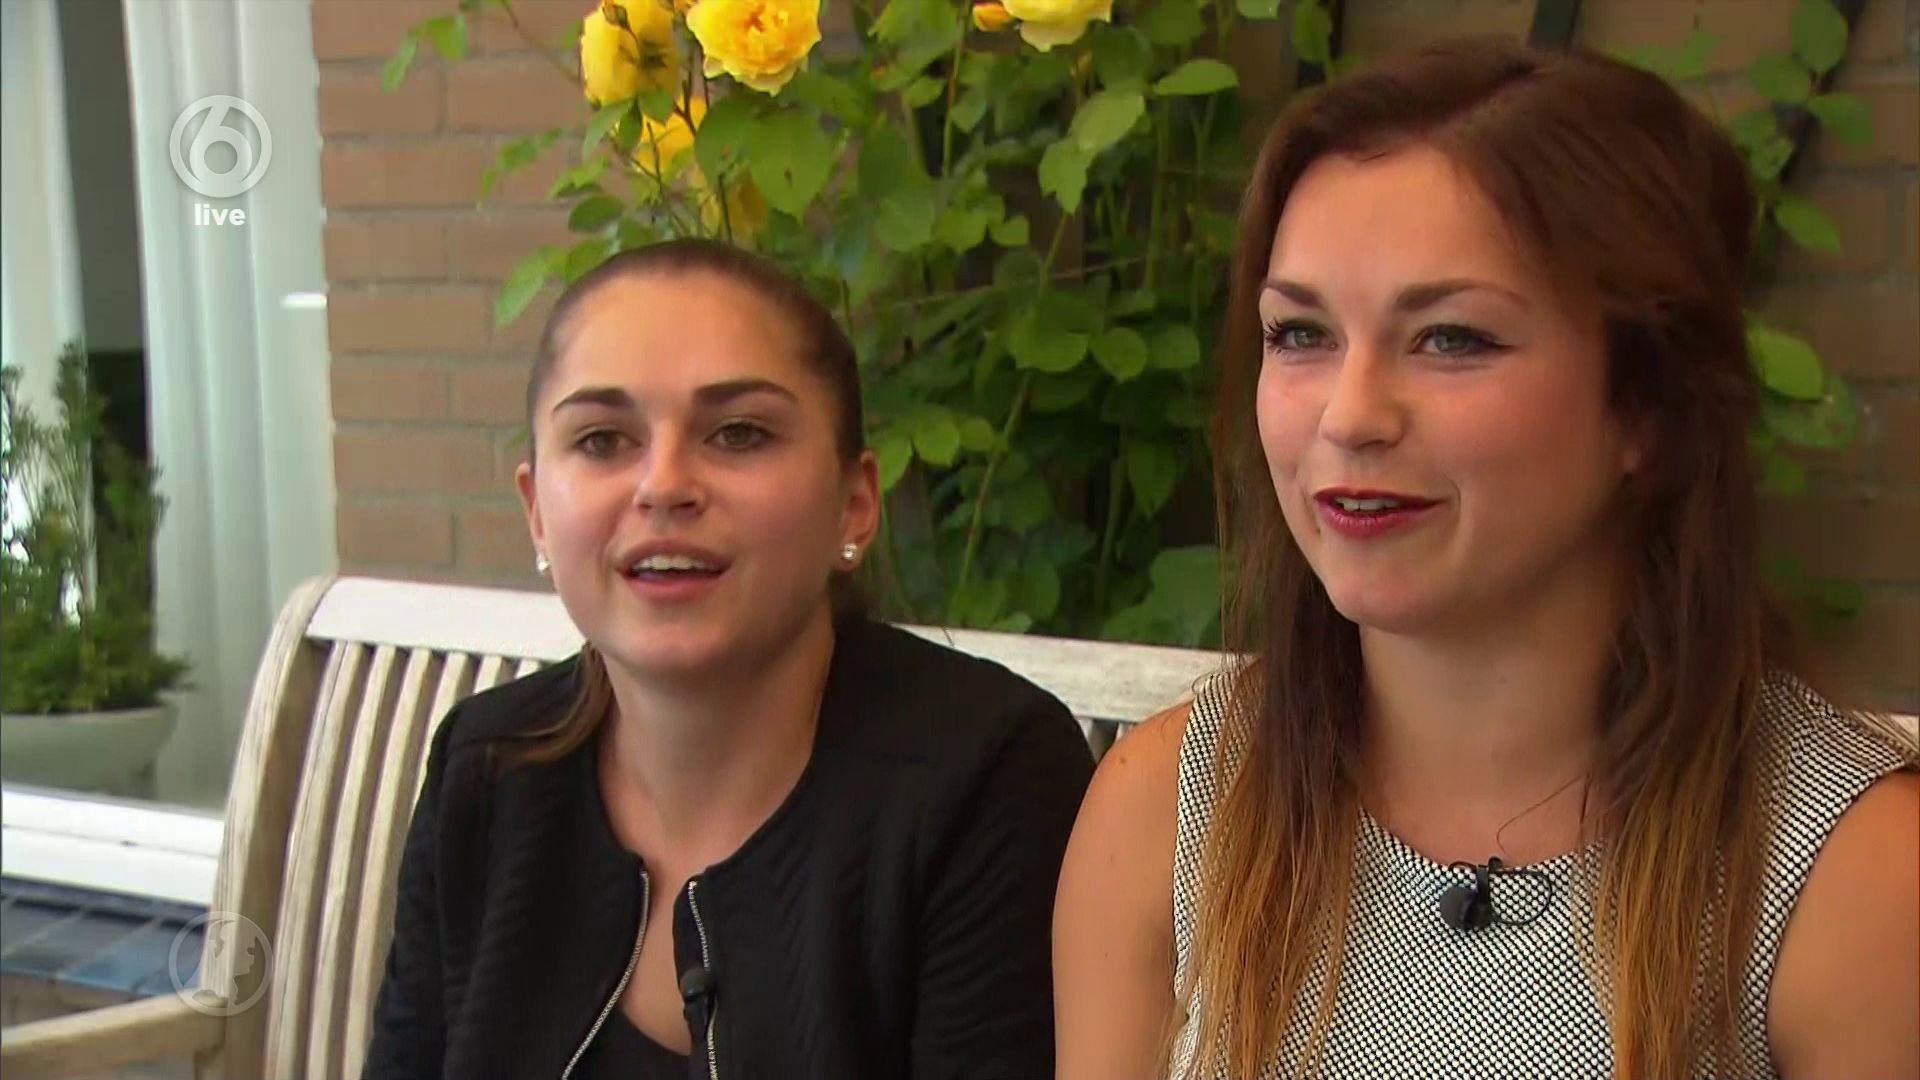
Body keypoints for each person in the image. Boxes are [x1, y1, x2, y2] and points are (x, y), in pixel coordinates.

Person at [1054, 38, 1919, 1080]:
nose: (1350, 416)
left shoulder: (1848, 869)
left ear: (1649, 406)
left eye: (1452, 338)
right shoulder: (1169, 808)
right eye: (1301, 334)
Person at [361, 238, 1094, 1079]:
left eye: (739, 433)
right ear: (536, 512)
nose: (664, 484)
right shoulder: (488, 769)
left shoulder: (985, 781)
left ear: (855, 504)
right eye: (602, 439)